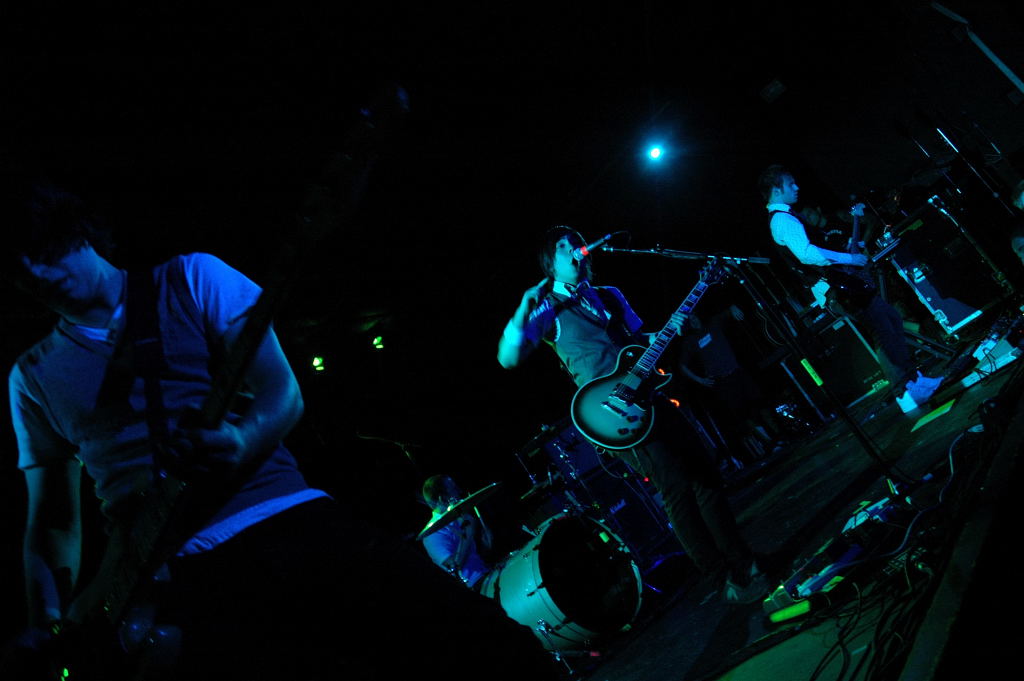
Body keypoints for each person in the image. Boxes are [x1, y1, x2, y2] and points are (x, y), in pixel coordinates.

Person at [2, 183, 557, 680]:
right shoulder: (30, 376)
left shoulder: (192, 278)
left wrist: (241, 441)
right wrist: (47, 625)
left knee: (487, 647)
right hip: (172, 585)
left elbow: (282, 393)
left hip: (285, 521)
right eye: (17, 270)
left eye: (42, 252)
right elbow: (52, 521)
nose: (35, 274)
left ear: (78, 232)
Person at [496, 226, 768, 604]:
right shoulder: (547, 309)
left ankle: (744, 561)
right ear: (550, 264)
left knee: (705, 474)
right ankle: (721, 576)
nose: (575, 248)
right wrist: (523, 308)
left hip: (651, 396)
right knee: (676, 488)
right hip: (612, 413)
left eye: (577, 242)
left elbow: (640, 342)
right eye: (563, 246)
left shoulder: (610, 294)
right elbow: (507, 358)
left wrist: (673, 326)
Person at [758, 165, 942, 412]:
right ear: (776, 189)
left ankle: (914, 380)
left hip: (840, 282)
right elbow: (806, 254)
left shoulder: (785, 217)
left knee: (890, 321)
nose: (797, 187)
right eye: (791, 184)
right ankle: (904, 392)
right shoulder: (782, 219)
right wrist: (850, 259)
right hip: (836, 286)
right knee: (882, 330)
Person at [419, 475, 495, 591]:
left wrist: (485, 547)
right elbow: (455, 568)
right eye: (453, 489)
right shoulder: (432, 535)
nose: (459, 491)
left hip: (485, 574)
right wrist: (468, 533)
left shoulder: (458, 519)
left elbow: (472, 560)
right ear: (442, 499)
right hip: (473, 587)